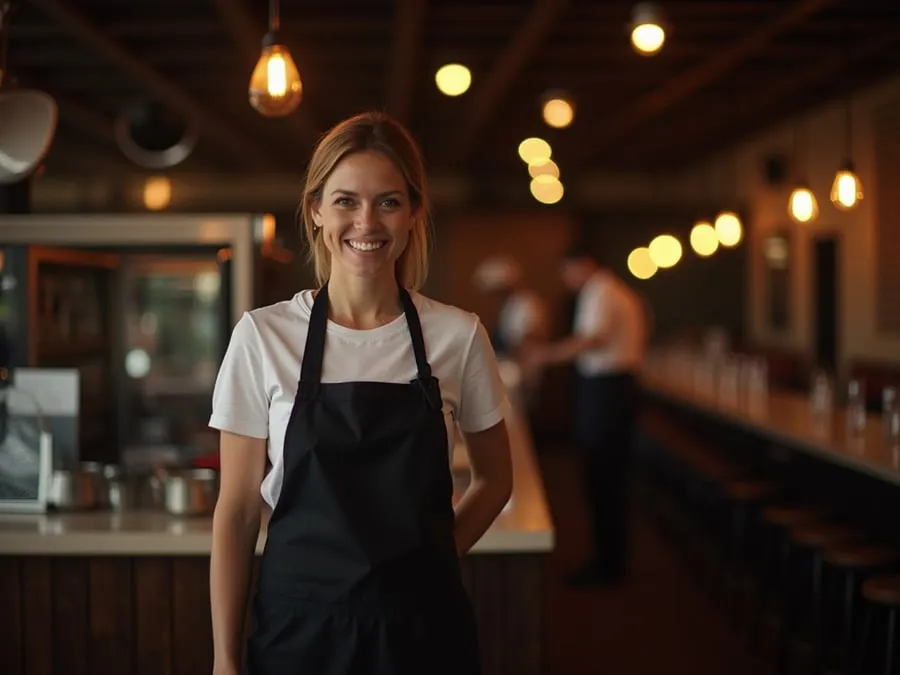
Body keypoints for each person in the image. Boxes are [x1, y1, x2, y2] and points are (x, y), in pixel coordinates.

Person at [208, 111, 513, 675]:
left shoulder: (458, 335)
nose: (366, 221)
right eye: (346, 200)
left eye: (389, 202)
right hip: (299, 631)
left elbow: (497, 479)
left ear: (414, 211)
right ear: (316, 210)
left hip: (423, 631)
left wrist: (434, 562)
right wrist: (225, 660)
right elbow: (237, 512)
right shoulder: (263, 335)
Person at [523, 244, 647, 587]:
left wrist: (544, 356)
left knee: (602, 475)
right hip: (613, 389)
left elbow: (590, 340)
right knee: (605, 476)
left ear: (584, 265)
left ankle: (608, 565)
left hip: (608, 389)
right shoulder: (612, 289)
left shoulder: (600, 290)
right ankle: (609, 559)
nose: (565, 279)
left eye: (567, 270)